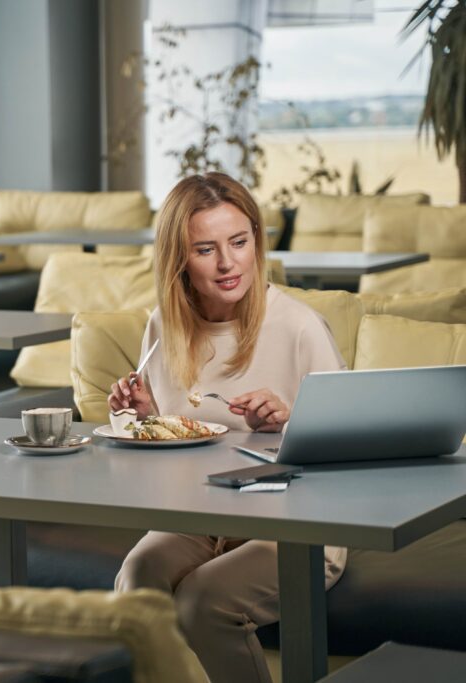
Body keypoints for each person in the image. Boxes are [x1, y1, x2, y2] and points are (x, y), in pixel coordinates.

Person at [108, 173, 346, 683]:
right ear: (178, 259)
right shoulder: (163, 328)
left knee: (203, 601)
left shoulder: (299, 326)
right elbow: (171, 442)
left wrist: (288, 423)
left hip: (298, 525)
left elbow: (344, 452)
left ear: (256, 240)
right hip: (201, 516)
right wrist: (148, 416)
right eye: (205, 249)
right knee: (136, 580)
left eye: (239, 242)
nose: (227, 262)